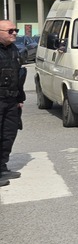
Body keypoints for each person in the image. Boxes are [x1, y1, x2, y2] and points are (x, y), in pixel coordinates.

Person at [0, 21, 25, 186]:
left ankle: (2, 167)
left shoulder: (14, 50)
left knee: (8, 134)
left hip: (11, 100)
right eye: (10, 30)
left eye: (15, 30)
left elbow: (19, 76)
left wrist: (20, 98)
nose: (14, 33)